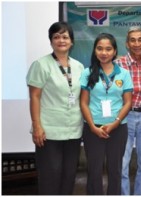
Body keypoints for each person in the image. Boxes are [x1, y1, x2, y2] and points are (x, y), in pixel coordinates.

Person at [26, 21, 84, 195]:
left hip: (73, 130)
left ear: (72, 41)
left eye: (65, 36)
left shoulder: (78, 66)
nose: (61, 40)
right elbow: (34, 96)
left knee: (69, 175)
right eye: (56, 37)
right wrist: (37, 125)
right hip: (49, 131)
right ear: (51, 41)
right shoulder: (41, 64)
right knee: (50, 176)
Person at [80, 33, 133, 195]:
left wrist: (115, 123)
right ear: (95, 51)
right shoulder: (87, 73)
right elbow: (83, 102)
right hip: (93, 128)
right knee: (94, 171)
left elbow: (128, 102)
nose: (104, 53)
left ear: (115, 51)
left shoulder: (123, 73)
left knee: (115, 170)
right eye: (100, 48)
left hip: (117, 128)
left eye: (108, 49)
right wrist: (92, 127)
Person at [115, 26, 141, 195]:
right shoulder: (118, 65)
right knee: (122, 162)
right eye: (132, 40)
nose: (137, 43)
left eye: (140, 40)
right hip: (125, 117)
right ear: (127, 44)